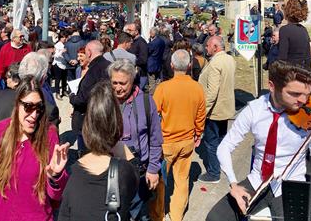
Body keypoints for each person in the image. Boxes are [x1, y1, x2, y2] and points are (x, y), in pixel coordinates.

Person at [206, 61, 311, 220]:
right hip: (258, 180)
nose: (302, 101)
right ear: (272, 86)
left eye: (307, 94)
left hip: (292, 185)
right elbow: (224, 147)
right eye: (294, 94)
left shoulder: (310, 117)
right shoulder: (255, 110)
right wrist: (234, 184)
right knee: (214, 218)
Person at [0, 81, 70, 220]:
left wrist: (56, 177)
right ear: (17, 105)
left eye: (39, 108)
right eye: (28, 107)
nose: (34, 115)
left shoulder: (49, 135)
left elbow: (56, 199)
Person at [58, 82, 138, 220]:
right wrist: (118, 144)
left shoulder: (73, 171)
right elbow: (136, 179)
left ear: (87, 124)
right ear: (117, 122)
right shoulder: (125, 171)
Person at [149, 50, 205, 221]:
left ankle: (158, 215)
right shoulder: (197, 88)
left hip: (165, 143)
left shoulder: (163, 88)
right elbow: (201, 115)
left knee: (159, 183)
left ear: (171, 66)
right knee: (182, 181)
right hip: (187, 141)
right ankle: (177, 215)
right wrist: (198, 134)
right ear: (189, 66)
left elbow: (152, 114)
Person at [108, 59, 163, 221]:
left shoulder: (146, 102)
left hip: (139, 171)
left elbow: (155, 138)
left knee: (138, 214)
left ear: (132, 80)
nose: (118, 88)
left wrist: (153, 169)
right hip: (112, 171)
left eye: (122, 83)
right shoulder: (105, 100)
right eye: (114, 82)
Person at [197, 36, 236, 184]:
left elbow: (212, 92)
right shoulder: (229, 59)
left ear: (215, 47)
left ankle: (214, 173)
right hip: (225, 108)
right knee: (220, 140)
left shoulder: (215, 64)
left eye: (208, 46)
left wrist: (202, 111)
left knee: (211, 142)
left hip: (214, 111)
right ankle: (221, 165)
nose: (206, 48)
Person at [69, 40, 111, 152]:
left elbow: (83, 98)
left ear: (89, 52)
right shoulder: (108, 66)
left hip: (89, 121)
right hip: (103, 118)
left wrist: (72, 97)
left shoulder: (94, 70)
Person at [0, 63, 21, 136]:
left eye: (8, 76)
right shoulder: (30, 96)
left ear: (16, 81)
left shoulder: (0, 96)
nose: (6, 79)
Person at [277, 0, 311, 69]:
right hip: (302, 74)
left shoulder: (284, 30)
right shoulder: (304, 30)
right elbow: (308, 59)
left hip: (289, 75)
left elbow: (282, 59)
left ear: (287, 10)